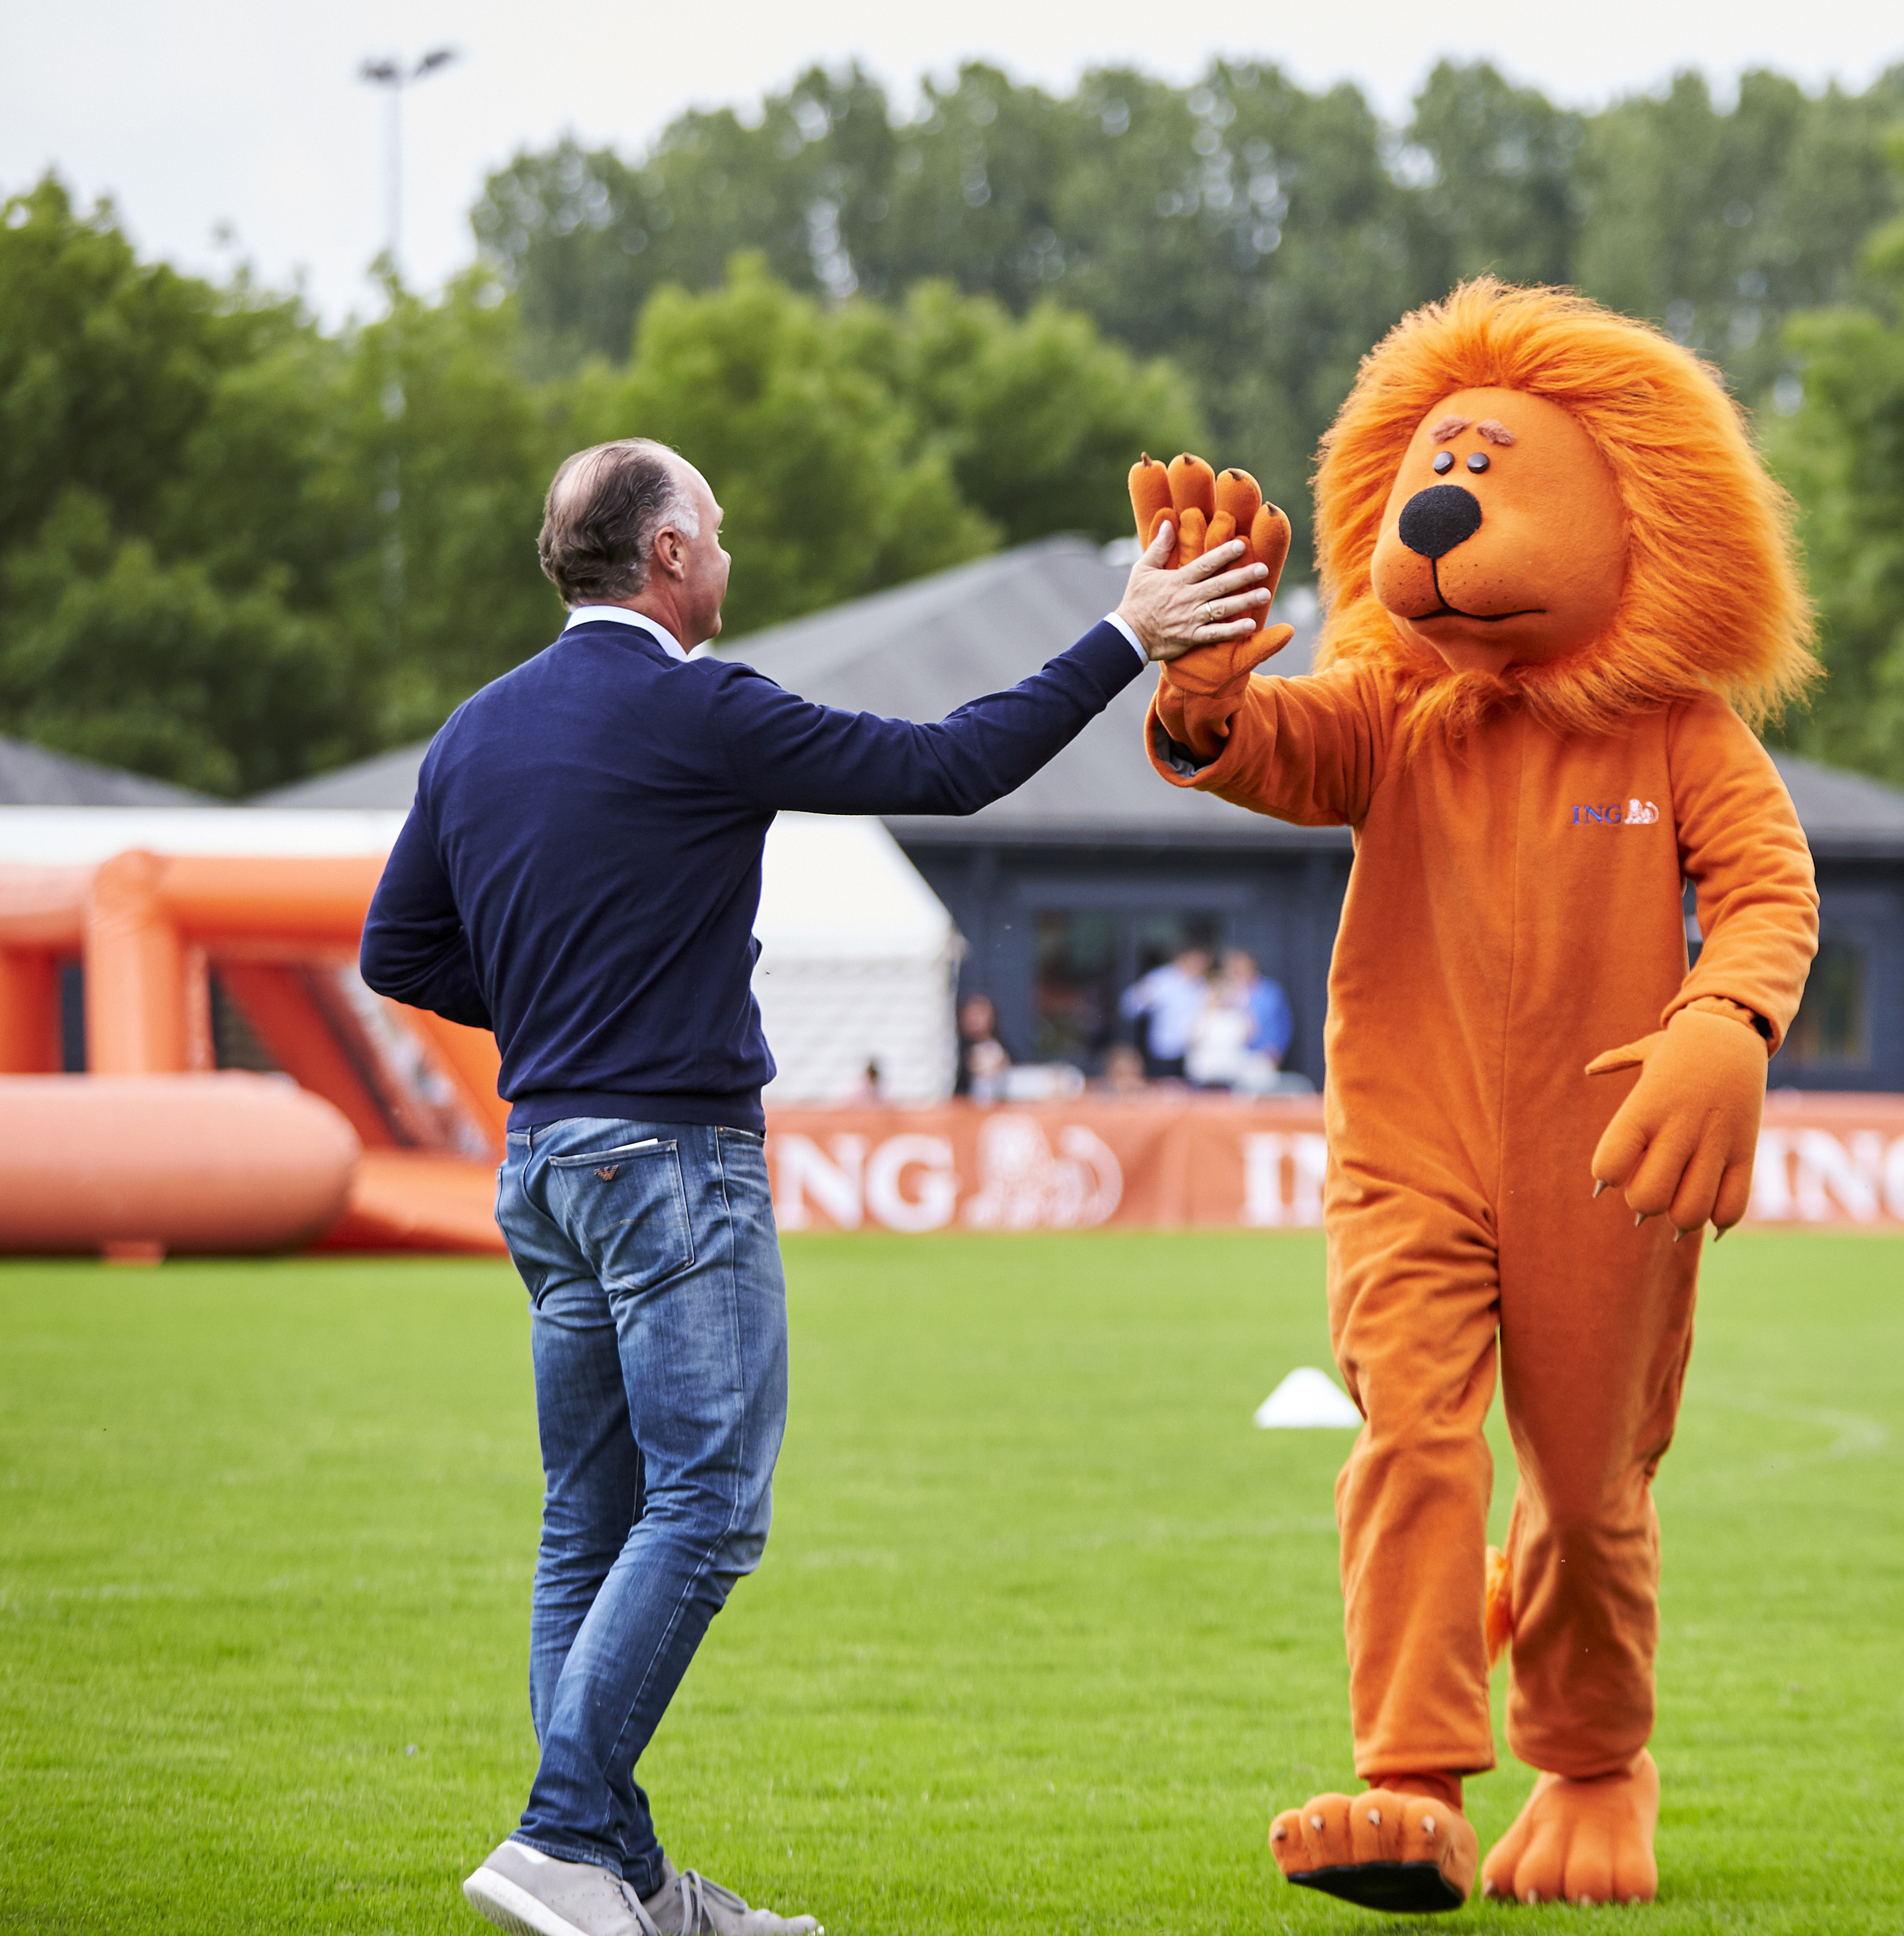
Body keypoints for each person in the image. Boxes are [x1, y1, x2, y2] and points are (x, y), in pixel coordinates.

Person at [360, 437, 1270, 1936]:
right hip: (671, 1157)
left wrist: (560, 1013)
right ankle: (566, 1832)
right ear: (665, 557)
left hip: (547, 1162)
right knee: (710, 1504)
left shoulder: (475, 730)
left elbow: (399, 952)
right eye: (714, 528)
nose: (727, 556)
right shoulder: (701, 705)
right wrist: (1126, 637)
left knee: (590, 1519)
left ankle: (631, 1882)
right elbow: (949, 764)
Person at [1118, 945, 1211, 1081]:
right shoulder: (1163, 979)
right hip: (1164, 1052)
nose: (1198, 967)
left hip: (1192, 1054)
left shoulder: (1202, 985)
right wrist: (1144, 997)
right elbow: (1129, 1006)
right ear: (1183, 958)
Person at [952, 993, 1014, 1103]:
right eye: (972, 1014)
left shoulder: (1000, 1049)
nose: (975, 1019)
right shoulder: (954, 1050)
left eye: (980, 1014)